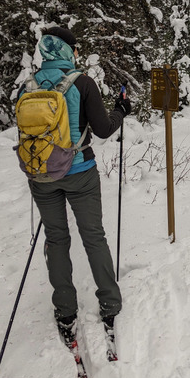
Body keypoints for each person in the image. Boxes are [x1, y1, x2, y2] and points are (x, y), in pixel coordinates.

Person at [20, 26, 131, 344]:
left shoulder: (27, 86)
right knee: (94, 237)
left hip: (41, 176)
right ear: (68, 50)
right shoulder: (82, 82)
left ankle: (65, 309)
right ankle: (110, 303)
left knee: (56, 240)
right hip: (80, 171)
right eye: (75, 47)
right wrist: (121, 110)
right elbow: (104, 129)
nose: (78, 52)